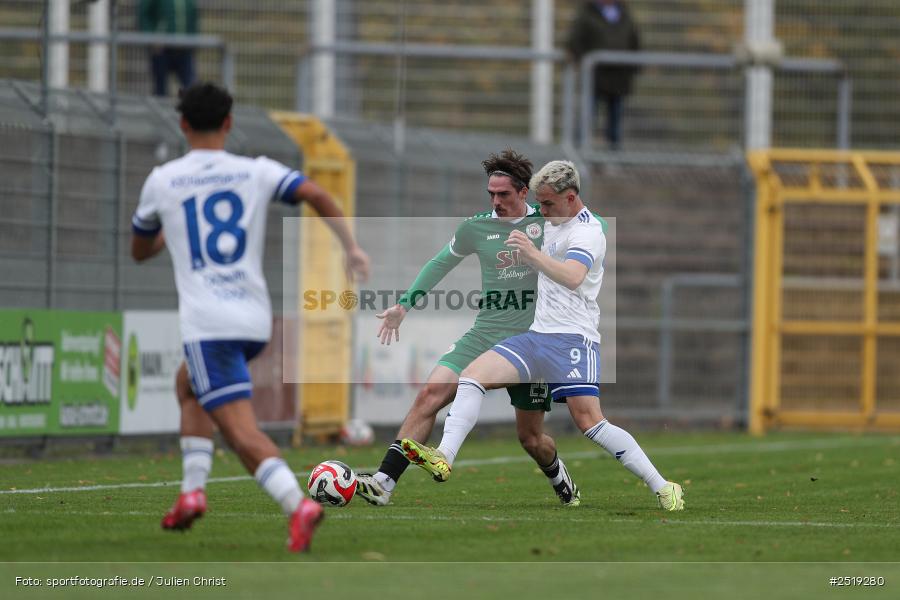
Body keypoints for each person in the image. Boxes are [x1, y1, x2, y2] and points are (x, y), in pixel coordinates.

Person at [130, 82, 370, 552]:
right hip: (254, 318)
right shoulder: (255, 170)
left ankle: (297, 506)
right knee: (188, 385)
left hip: (209, 324)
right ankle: (191, 493)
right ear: (229, 123)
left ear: (182, 124)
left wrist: (171, 231)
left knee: (241, 432)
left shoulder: (163, 180)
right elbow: (317, 194)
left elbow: (139, 249)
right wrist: (351, 248)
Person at [402, 160, 685, 512]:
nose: (542, 211)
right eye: (540, 203)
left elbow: (573, 276)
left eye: (548, 203)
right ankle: (444, 456)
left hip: (572, 339)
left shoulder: (588, 232)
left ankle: (663, 486)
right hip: (535, 336)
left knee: (589, 422)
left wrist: (533, 255)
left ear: (570, 198)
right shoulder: (550, 220)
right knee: (472, 376)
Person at [353, 149, 582, 508]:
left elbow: (584, 234)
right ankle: (383, 483)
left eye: (503, 194)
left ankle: (556, 474)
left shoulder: (548, 221)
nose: (496, 201)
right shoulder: (475, 227)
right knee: (430, 394)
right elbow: (439, 263)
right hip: (485, 334)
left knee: (531, 439)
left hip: (532, 342)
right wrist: (404, 305)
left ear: (524, 192)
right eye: (491, 194)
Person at [566, 0, 641, 150]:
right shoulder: (587, 14)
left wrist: (633, 66)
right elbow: (575, 41)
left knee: (615, 122)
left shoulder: (624, 14)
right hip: (594, 77)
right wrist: (584, 62)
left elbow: (634, 42)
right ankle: (580, 154)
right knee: (587, 118)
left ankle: (613, 156)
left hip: (619, 77)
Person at [139, 0, 199, 97]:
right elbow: (144, 14)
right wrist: (152, 38)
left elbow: (193, 18)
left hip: (184, 49)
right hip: (161, 49)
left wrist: (194, 41)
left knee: (191, 87)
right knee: (160, 90)